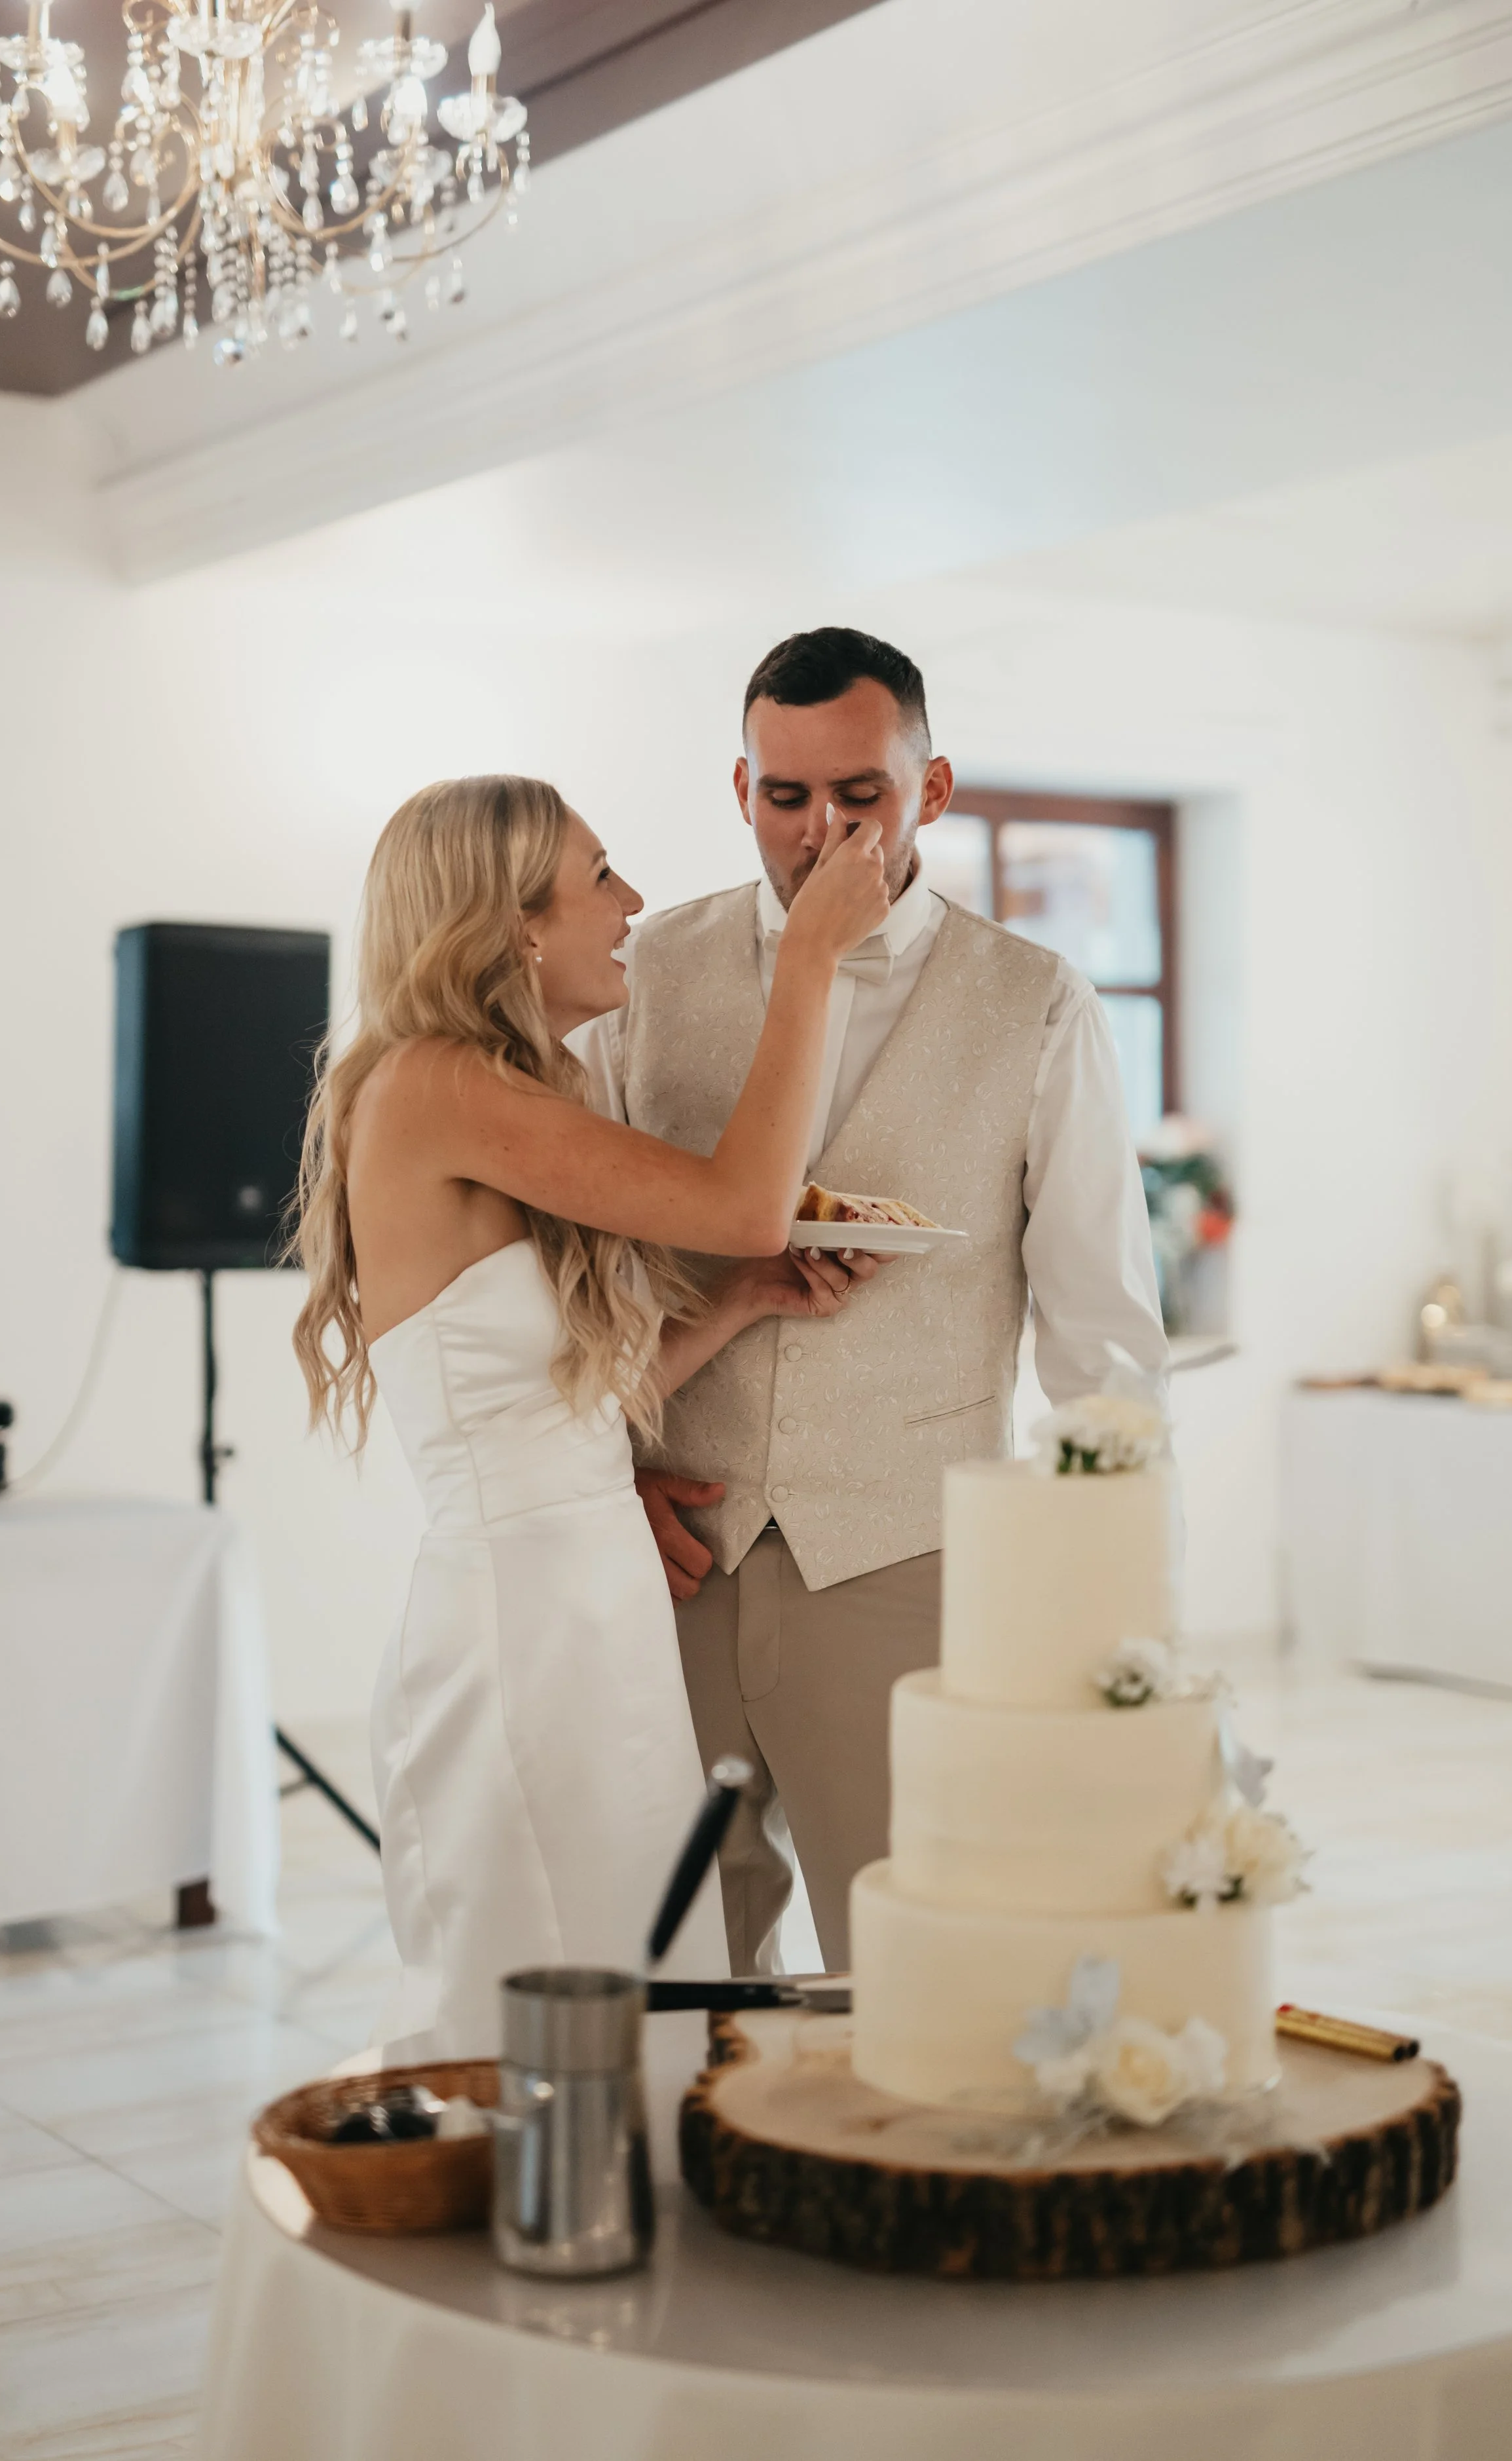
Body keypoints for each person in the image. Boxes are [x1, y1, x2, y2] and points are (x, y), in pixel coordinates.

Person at [574, 627, 1170, 1976]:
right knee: (672, 1968)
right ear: (741, 793)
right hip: (670, 1552)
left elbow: (1102, 1332)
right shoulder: (637, 979)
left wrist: (1111, 1591)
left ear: (933, 788)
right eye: (785, 797)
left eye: (861, 795)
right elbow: (581, 1279)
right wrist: (602, 1479)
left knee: (915, 1977)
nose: (820, 830)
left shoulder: (1036, 1003)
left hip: (913, 1557)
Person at [290, 773, 889, 2056]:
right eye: (600, 877)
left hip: (595, 1604)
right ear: (514, 925)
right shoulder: (432, 1084)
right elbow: (741, 1198)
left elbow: (562, 1405)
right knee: (540, 2007)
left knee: (630, 1979)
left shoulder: (499, 1088)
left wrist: (739, 1303)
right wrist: (808, 958)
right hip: (524, 1627)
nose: (630, 905)